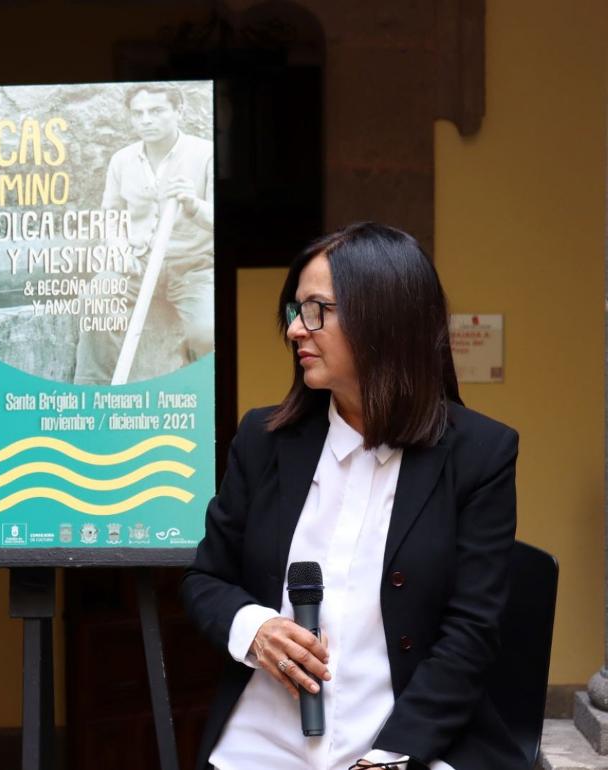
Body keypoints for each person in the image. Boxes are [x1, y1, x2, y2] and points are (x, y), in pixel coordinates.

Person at [180, 222, 526, 770]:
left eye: (316, 310)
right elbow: (207, 578)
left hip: (411, 743)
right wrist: (256, 628)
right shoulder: (262, 440)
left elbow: (471, 633)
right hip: (263, 744)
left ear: (383, 321)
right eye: (294, 311)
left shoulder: (480, 454)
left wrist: (394, 756)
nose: (296, 329)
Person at [74, 82, 214, 384]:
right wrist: (120, 249)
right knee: (95, 301)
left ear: (179, 111)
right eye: (137, 113)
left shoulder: (205, 154)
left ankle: (200, 399)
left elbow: (224, 222)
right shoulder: (122, 159)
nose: (145, 120)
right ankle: (91, 396)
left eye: (156, 111)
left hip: (193, 268)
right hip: (135, 266)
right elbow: (110, 215)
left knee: (207, 332)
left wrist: (193, 205)